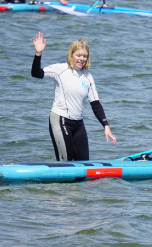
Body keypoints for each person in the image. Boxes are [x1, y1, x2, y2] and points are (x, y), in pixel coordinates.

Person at [31, 32, 116, 162]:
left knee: (84, 164)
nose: (81, 59)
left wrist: (106, 125)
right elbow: (36, 73)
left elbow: (95, 104)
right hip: (60, 120)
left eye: (85, 56)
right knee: (66, 162)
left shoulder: (87, 77)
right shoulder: (60, 69)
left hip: (78, 124)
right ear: (71, 55)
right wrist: (38, 54)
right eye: (78, 55)